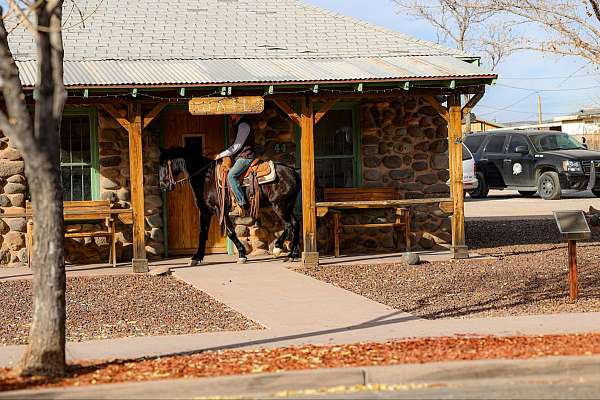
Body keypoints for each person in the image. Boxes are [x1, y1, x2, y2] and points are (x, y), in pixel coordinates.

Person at [215, 114, 255, 216]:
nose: (230, 115)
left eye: (232, 113)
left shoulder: (243, 125)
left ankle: (241, 204)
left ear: (237, 113)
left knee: (231, 176)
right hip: (240, 157)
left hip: (245, 157)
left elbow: (237, 146)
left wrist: (221, 154)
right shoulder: (239, 125)